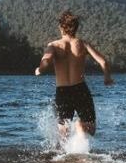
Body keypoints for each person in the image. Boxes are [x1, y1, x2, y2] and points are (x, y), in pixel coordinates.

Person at [35, 10, 113, 139]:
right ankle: (80, 126)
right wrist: (107, 77)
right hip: (80, 89)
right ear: (76, 27)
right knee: (90, 129)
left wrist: (39, 69)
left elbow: (46, 61)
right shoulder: (82, 44)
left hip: (62, 91)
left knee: (63, 132)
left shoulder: (53, 45)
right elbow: (103, 61)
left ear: (61, 27)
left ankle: (64, 156)